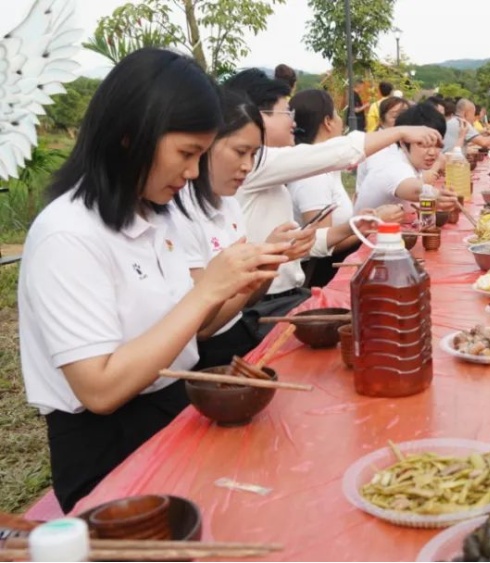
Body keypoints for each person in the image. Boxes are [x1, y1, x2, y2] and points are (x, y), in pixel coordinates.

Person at [17, 49, 288, 512]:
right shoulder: (67, 235)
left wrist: (235, 283)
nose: (191, 173)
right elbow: (99, 389)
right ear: (130, 137)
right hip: (108, 443)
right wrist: (206, 291)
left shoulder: (156, 217)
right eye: (186, 154)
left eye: (200, 156)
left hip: (174, 407)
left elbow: (191, 330)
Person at [224, 69, 443, 329]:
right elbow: (336, 153)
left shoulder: (268, 173)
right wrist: (399, 132)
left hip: (287, 296)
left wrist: (355, 225)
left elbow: (304, 241)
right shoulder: (254, 165)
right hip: (265, 308)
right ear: (253, 116)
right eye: (286, 113)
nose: (293, 122)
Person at [172, 89, 313, 370]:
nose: (247, 166)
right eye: (240, 152)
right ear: (205, 144)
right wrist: (257, 266)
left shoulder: (227, 204)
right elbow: (203, 328)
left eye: (254, 154)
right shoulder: (179, 211)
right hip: (208, 356)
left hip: (238, 331)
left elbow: (248, 297)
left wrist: (271, 258)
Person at [287, 89, 395, 287]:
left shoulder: (323, 167)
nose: (340, 120)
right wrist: (369, 224)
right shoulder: (313, 176)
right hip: (324, 277)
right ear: (328, 122)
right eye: (337, 113)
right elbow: (320, 244)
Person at [355, 102, 459, 214]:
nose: (432, 152)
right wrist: (437, 195)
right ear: (403, 142)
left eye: (438, 145)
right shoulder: (391, 163)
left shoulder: (411, 160)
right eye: (423, 144)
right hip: (366, 230)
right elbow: (414, 189)